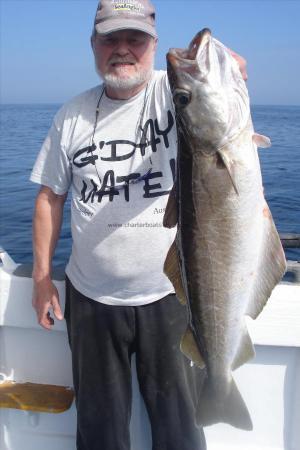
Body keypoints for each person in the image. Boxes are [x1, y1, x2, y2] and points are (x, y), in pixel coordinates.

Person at [31, 1, 247, 449]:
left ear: (152, 43)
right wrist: (40, 278)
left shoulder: (177, 92)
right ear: (93, 45)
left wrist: (229, 65)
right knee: (100, 433)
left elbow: (221, 84)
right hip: (90, 300)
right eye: (111, 38)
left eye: (135, 39)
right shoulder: (70, 115)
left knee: (180, 431)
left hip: (171, 296)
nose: (122, 50)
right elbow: (50, 197)